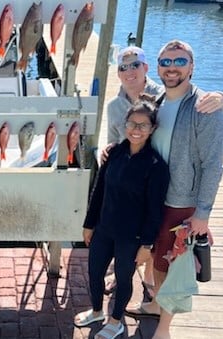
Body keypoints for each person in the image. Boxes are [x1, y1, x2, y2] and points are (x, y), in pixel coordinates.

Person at [104, 46, 223, 298]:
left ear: (147, 68)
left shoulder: (170, 97)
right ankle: (135, 283)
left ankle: (155, 299)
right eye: (123, 67)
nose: (130, 71)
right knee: (146, 240)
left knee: (167, 256)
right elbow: (120, 139)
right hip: (143, 188)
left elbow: (212, 161)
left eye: (135, 65)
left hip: (177, 196)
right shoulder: (125, 105)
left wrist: (202, 212)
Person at [74, 95, 170, 339]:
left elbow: (154, 211)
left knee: (123, 278)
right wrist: (88, 224)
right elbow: (99, 190)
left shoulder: (155, 165)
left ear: (152, 129)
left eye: (143, 125)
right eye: (132, 124)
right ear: (124, 124)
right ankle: (97, 311)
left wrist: (147, 245)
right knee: (95, 272)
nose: (136, 130)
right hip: (104, 229)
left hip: (131, 236)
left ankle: (115, 321)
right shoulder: (114, 153)